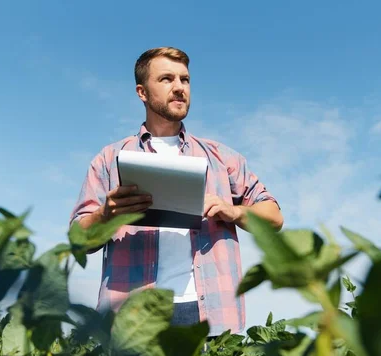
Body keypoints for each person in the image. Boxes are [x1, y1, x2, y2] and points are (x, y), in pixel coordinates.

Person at [69, 47, 283, 337]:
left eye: (185, 79)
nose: (179, 87)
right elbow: (78, 240)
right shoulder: (109, 160)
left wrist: (233, 211)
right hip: (132, 317)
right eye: (167, 79)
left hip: (208, 315)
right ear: (142, 92)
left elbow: (274, 218)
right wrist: (106, 214)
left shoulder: (223, 158)